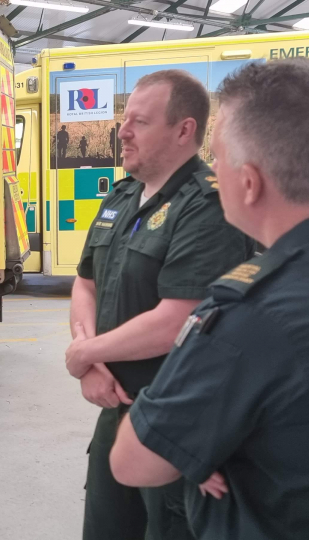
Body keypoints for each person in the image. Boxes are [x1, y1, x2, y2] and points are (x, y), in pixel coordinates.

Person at [110, 59, 309, 540]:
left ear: (249, 182)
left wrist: (193, 440)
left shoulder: (249, 316)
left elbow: (134, 460)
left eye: (218, 158)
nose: (211, 170)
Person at [65, 69, 254, 540]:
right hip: (115, 412)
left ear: (183, 130)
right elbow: (85, 282)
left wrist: (85, 354)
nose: (122, 132)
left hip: (175, 425)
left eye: (139, 122)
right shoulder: (121, 196)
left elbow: (177, 320)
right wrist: (90, 361)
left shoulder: (208, 207)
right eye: (124, 119)